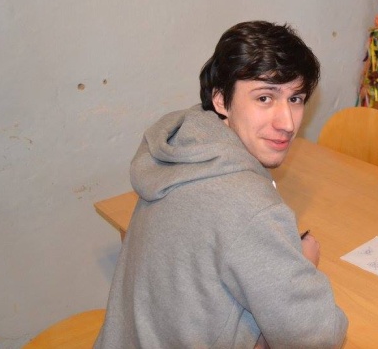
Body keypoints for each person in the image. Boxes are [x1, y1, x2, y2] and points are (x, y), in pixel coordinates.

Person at [96, 21, 348, 349]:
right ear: (220, 100)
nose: (287, 123)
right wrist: (306, 266)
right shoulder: (249, 206)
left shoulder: (186, 147)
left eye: (295, 98)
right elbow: (318, 338)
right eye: (264, 98)